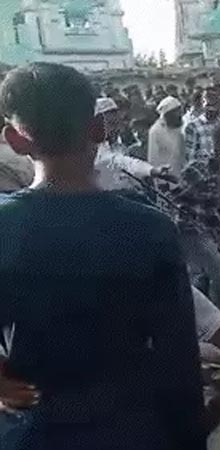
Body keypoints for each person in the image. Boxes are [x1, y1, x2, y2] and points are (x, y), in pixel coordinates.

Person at [0, 62, 206, 449]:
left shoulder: (5, 228)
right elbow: (179, 363)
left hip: (35, 430)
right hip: (132, 429)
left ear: (15, 139)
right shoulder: (149, 229)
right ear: (99, 129)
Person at [165, 122, 220, 309]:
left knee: (210, 274)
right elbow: (177, 199)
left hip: (202, 229)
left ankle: (217, 310)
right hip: (188, 228)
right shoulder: (198, 168)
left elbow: (215, 206)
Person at [93, 98, 171, 191]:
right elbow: (121, 162)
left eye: (117, 123)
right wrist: (150, 170)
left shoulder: (120, 147)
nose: (116, 128)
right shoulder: (92, 149)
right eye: (110, 124)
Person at [184, 86, 220, 162]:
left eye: (214, 104)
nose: (211, 108)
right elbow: (190, 157)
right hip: (202, 171)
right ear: (202, 103)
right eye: (208, 105)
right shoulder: (193, 126)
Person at [148, 96, 186, 177]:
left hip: (182, 176)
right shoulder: (156, 131)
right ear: (168, 114)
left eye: (180, 111)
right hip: (166, 178)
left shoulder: (182, 126)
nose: (179, 114)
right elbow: (152, 158)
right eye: (176, 112)